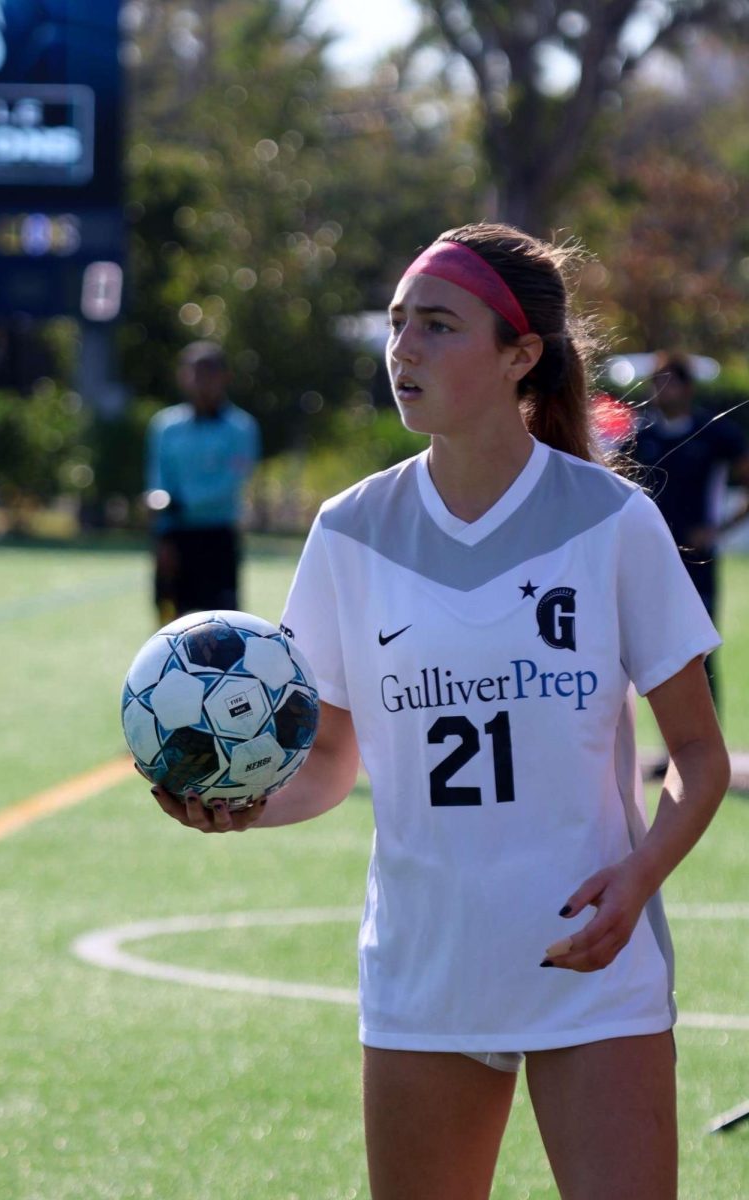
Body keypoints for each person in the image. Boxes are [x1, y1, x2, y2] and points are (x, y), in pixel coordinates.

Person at [148, 223, 730, 1200]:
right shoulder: (349, 532)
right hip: (423, 969)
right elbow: (329, 763)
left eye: (436, 325)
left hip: (589, 972)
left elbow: (697, 757)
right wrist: (246, 803)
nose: (401, 349)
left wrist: (636, 879)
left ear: (519, 356)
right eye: (394, 324)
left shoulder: (609, 521)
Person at [631, 352, 749, 712]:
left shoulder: (712, 432)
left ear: (687, 386)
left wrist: (719, 530)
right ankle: (671, 751)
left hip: (697, 559)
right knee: (654, 655)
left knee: (700, 650)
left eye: (670, 380)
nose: (661, 389)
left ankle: (709, 750)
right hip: (650, 559)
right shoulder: (641, 436)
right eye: (657, 381)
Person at [144, 341, 260, 625]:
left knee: (222, 624)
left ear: (224, 377)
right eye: (194, 373)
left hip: (217, 537)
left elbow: (232, 481)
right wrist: (162, 528)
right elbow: (158, 478)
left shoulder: (241, 427)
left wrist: (184, 502)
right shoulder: (165, 426)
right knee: (168, 620)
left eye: (208, 374)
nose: (200, 382)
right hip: (174, 536)